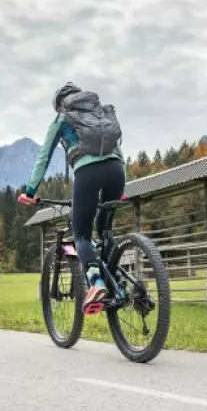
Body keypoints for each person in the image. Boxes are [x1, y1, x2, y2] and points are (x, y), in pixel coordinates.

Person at [18, 82, 126, 316]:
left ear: (59, 105)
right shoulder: (101, 112)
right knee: (105, 230)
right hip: (117, 172)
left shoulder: (62, 118)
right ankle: (117, 282)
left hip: (87, 173)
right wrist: (120, 185)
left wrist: (30, 191)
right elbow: (116, 148)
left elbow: (44, 156)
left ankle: (96, 283)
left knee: (81, 235)